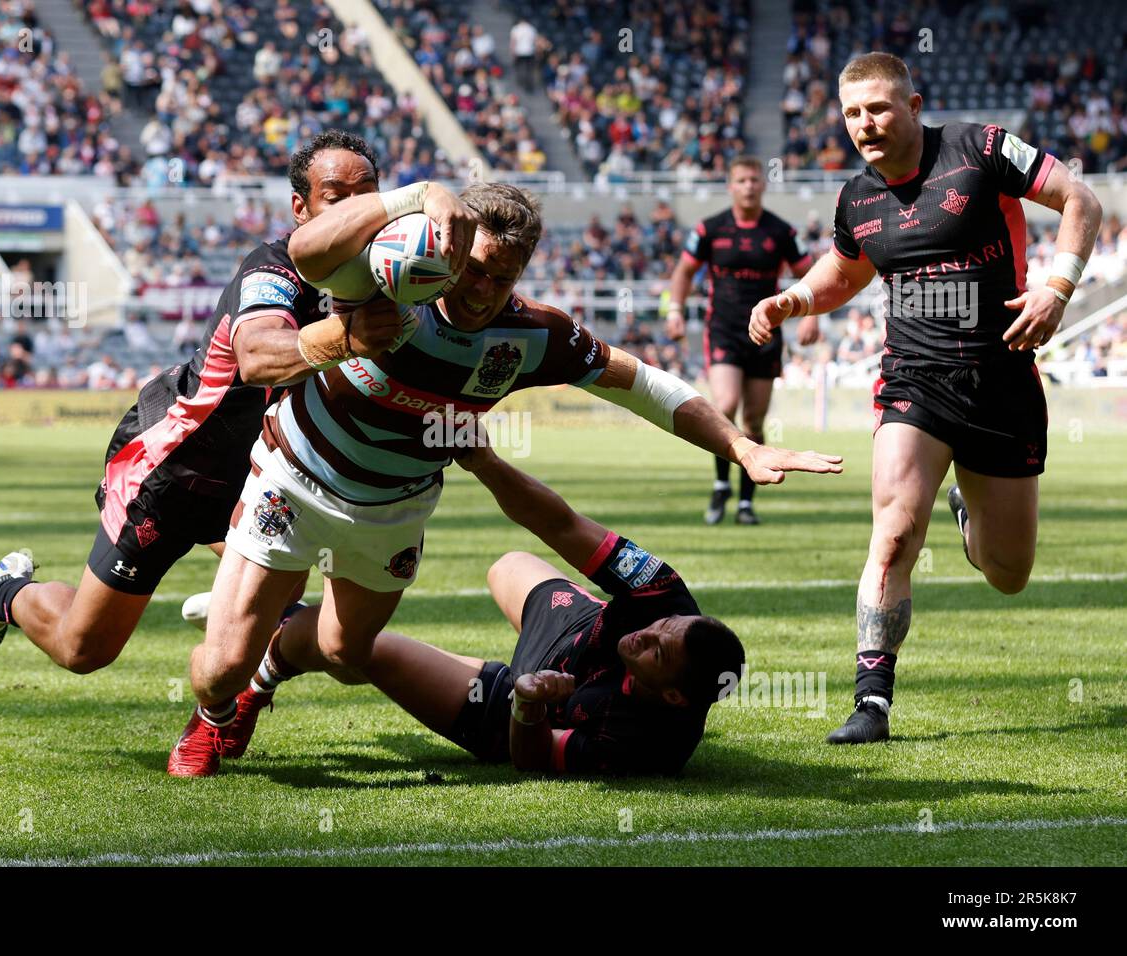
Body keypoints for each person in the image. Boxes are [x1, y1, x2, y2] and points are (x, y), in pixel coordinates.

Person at [166, 180, 844, 777]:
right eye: (478, 271)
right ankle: (219, 709)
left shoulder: (532, 336)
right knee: (218, 666)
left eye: (506, 277)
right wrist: (413, 194)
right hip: (296, 479)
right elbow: (304, 250)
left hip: (394, 509)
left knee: (346, 655)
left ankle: (265, 671)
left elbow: (644, 385)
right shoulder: (383, 279)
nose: (485, 293)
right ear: (453, 251)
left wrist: (738, 446)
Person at [0, 131, 477, 674]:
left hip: (258, 475)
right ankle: (6, 593)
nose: (354, 209)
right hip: (176, 466)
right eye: (335, 197)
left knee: (292, 597)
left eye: (366, 192)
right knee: (82, 650)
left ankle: (237, 635)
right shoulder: (272, 267)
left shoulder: (388, 274)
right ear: (301, 209)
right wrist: (348, 335)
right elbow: (256, 357)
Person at [749, 52, 1101, 744]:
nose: (865, 124)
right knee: (894, 535)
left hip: (1002, 383)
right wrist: (793, 298)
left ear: (913, 105)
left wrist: (1056, 290)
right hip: (914, 381)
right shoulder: (858, 197)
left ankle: (971, 516)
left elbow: (1080, 201)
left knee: (1008, 574)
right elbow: (843, 273)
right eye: (852, 113)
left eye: (878, 108)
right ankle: (871, 701)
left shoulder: (982, 149)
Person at [312, 436, 746, 775]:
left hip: (522, 701)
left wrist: (529, 703)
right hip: (576, 627)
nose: (645, 633)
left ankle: (272, 657)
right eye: (663, 625)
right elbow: (563, 525)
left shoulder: (645, 745)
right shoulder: (663, 590)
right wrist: (487, 464)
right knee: (508, 564)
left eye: (657, 651)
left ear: (673, 695)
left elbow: (532, 759)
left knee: (362, 649)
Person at [666, 156, 817, 525]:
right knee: (726, 405)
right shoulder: (710, 229)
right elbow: (684, 270)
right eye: (742, 180)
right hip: (724, 329)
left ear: (763, 185)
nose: (749, 185)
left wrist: (811, 315)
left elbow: (808, 274)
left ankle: (746, 502)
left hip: (766, 332)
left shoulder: (780, 232)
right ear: (731, 186)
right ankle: (721, 485)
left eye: (754, 180)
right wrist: (674, 310)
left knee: (753, 419)